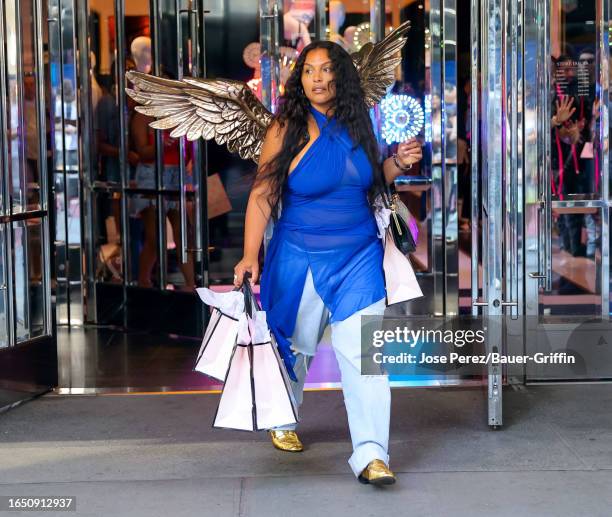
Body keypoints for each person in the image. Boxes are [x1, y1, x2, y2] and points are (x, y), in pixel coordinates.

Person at [233, 40, 422, 486]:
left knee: (365, 357)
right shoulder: (287, 127)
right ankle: (282, 415)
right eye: (308, 71)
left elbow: (369, 181)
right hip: (299, 257)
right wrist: (248, 254)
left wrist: (396, 161)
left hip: (358, 255)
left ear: (341, 76)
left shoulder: (360, 123)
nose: (317, 78)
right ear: (300, 80)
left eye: (325, 69)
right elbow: (262, 194)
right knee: (296, 346)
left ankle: (372, 453)